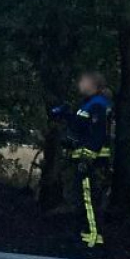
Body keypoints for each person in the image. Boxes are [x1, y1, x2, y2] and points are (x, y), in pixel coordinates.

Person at [50, 71, 113, 248]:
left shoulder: (98, 105)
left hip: (92, 162)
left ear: (93, 84)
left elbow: (98, 135)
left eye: (83, 81)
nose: (80, 84)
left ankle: (92, 238)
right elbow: (81, 129)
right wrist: (67, 115)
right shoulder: (88, 104)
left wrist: (88, 157)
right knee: (81, 198)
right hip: (84, 159)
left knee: (89, 199)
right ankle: (83, 234)